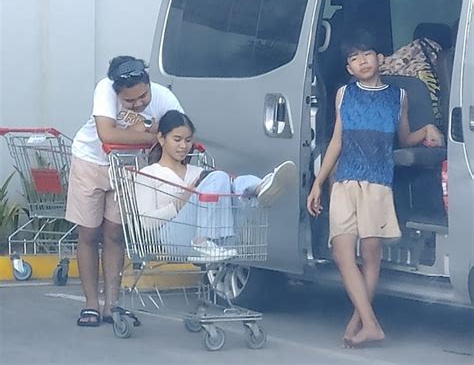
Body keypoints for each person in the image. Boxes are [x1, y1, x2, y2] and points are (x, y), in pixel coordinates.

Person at [306, 30, 444, 348]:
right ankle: (370, 323)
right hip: (344, 182)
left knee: (371, 256)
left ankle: (361, 321)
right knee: (342, 253)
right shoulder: (344, 94)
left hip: (378, 183)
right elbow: (337, 142)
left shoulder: (398, 96)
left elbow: (404, 137)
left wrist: (427, 130)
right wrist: (317, 184)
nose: (362, 61)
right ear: (349, 68)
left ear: (379, 58)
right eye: (354, 58)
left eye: (366, 54)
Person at [66, 56, 183, 327]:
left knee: (114, 233)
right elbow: (107, 134)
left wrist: (164, 138)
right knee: (88, 233)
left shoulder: (164, 97)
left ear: (149, 83)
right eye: (129, 101)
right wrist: (155, 136)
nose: (139, 103)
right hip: (90, 162)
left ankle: (111, 305)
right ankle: (91, 305)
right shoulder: (104, 89)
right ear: (116, 92)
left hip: (129, 167)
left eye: (143, 96)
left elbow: (180, 129)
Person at [135, 110, 296, 261]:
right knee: (217, 176)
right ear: (162, 138)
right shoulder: (148, 174)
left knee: (230, 181)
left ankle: (260, 188)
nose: (184, 146)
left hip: (219, 240)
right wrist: (181, 200)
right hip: (173, 237)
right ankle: (203, 240)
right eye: (177, 139)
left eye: (188, 140)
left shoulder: (197, 171)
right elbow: (147, 223)